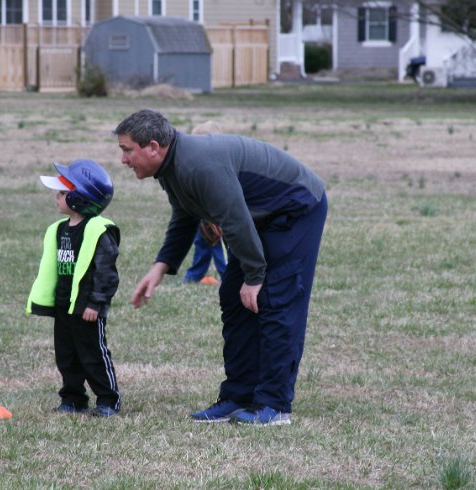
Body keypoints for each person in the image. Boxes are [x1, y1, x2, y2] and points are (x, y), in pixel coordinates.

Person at [114, 109, 327, 426]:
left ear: (154, 146)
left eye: (127, 150)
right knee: (233, 297)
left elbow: (236, 221)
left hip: (295, 209)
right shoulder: (174, 167)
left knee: (275, 300)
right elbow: (185, 216)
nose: (123, 160)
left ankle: (273, 404)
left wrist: (255, 277)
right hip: (258, 218)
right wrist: (161, 266)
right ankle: (238, 397)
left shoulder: (198, 165)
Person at [26, 159, 121, 417]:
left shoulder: (98, 231)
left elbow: (107, 273)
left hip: (87, 307)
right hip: (63, 305)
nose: (57, 197)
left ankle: (108, 400)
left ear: (79, 198)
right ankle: (73, 398)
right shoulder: (59, 230)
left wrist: (95, 303)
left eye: (63, 193)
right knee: (66, 356)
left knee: (93, 355)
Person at [182, 121, 227, 285]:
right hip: (201, 215)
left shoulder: (221, 165)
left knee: (220, 247)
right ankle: (194, 275)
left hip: (220, 217)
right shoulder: (195, 165)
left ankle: (228, 276)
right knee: (201, 244)